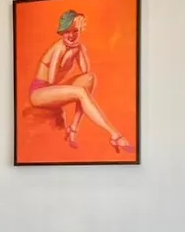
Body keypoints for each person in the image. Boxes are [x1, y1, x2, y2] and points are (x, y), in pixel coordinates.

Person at [28, 10, 134, 153]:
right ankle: (114, 134)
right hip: (39, 93)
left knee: (90, 78)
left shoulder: (76, 47)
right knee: (80, 92)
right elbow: (51, 80)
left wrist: (80, 50)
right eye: (67, 31)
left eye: (75, 31)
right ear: (62, 31)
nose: (71, 35)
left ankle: (74, 127)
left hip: (53, 90)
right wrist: (65, 55)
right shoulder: (59, 48)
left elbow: (86, 71)